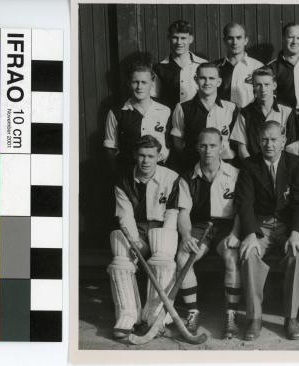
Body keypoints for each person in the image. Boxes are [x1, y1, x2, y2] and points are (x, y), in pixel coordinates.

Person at [235, 121, 299, 341]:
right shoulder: (250, 165)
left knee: (298, 253)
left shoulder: (295, 164)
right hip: (261, 226)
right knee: (249, 254)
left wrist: (296, 233)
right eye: (264, 139)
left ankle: (291, 318)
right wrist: (249, 234)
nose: (269, 144)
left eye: (274, 139)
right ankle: (254, 318)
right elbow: (244, 202)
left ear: (283, 141)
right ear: (258, 141)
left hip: (288, 226)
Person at [106, 135, 180, 339]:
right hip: (136, 228)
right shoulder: (123, 179)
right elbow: (125, 215)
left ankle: (155, 315)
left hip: (161, 226)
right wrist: (134, 242)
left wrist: (163, 238)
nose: (146, 161)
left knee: (163, 254)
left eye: (150, 156)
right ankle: (127, 315)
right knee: (121, 254)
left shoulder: (171, 177)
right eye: (141, 156)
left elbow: (172, 214)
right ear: (134, 156)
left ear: (159, 156)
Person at [176, 128, 242, 339]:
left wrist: (236, 233)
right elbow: (184, 213)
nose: (208, 150)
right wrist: (186, 236)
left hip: (226, 226)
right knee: (183, 257)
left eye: (213, 145)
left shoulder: (235, 174)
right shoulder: (188, 176)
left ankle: (231, 315)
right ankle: (193, 312)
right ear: (197, 147)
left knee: (232, 257)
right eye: (203, 145)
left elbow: (242, 210)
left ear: (222, 147)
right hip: (201, 226)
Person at [170, 62, 239, 173]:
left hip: (225, 168)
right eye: (203, 78)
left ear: (219, 82)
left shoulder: (231, 108)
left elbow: (236, 142)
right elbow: (178, 143)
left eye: (211, 78)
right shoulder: (182, 108)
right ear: (195, 79)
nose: (207, 82)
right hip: (193, 168)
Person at [104, 62, 171, 172]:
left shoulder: (165, 111)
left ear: (152, 84)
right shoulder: (116, 112)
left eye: (144, 82)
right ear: (129, 84)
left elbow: (171, 144)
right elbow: (110, 147)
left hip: (159, 172)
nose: (139, 87)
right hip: (129, 172)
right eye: (135, 82)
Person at [231, 67, 296, 159]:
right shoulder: (245, 113)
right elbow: (242, 149)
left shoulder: (287, 112)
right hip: (254, 168)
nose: (263, 89)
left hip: (281, 167)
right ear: (253, 86)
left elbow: (292, 147)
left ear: (274, 85)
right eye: (258, 85)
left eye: (266, 84)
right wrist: (254, 169)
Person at [152, 20, 208, 109]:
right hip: (170, 119)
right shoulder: (159, 68)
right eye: (175, 37)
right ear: (169, 38)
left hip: (197, 119)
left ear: (191, 39)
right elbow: (154, 98)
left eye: (183, 38)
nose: (179, 42)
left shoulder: (203, 65)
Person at [214, 22, 264, 108]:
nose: (234, 42)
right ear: (224, 41)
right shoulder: (215, 67)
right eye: (230, 38)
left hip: (248, 118)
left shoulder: (257, 67)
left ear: (246, 40)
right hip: (221, 118)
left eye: (238, 38)